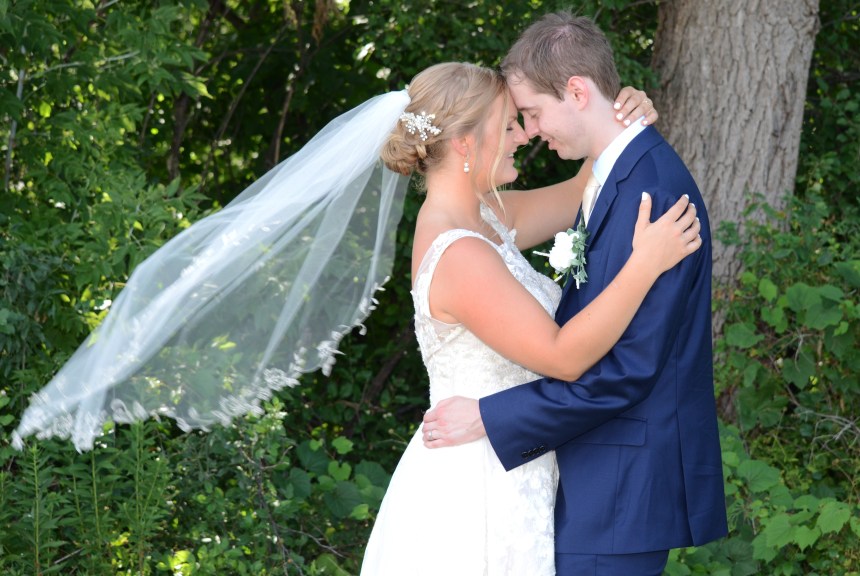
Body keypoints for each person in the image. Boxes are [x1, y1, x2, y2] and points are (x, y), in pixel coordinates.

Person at [360, 61, 700, 575]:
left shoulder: (490, 216)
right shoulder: (458, 254)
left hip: (515, 461)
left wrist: (624, 110)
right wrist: (645, 264)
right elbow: (563, 356)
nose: (524, 136)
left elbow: (586, 183)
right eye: (509, 125)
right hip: (477, 485)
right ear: (465, 145)